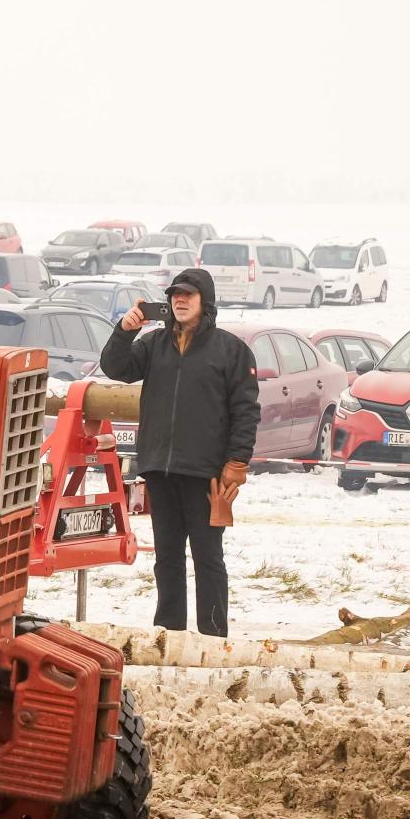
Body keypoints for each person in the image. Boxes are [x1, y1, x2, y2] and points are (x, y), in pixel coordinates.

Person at [100, 267, 259, 637]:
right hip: (160, 469)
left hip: (206, 473)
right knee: (167, 558)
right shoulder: (154, 344)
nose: (180, 300)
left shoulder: (230, 350)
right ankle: (168, 634)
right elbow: (116, 368)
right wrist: (125, 331)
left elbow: (246, 410)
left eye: (188, 294)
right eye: (175, 294)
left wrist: (237, 461)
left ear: (206, 301)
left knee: (208, 558)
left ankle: (213, 636)